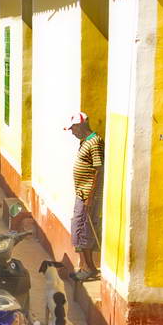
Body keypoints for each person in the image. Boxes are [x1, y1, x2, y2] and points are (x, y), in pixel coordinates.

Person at [65, 112, 104, 281]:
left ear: (81, 126)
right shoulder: (85, 142)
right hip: (82, 193)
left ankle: (89, 268)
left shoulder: (95, 142)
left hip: (88, 195)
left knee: (84, 229)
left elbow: (98, 170)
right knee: (79, 228)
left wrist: (89, 196)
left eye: (73, 128)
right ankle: (87, 267)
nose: (72, 132)